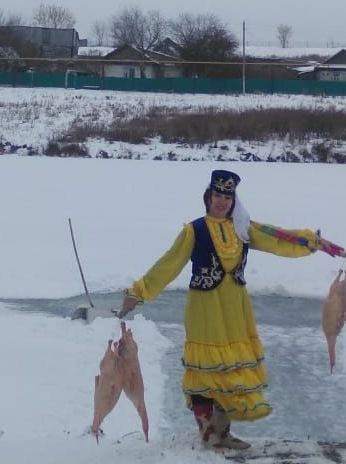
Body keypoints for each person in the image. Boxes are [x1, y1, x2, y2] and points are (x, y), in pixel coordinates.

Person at [116, 169, 334, 450]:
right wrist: (138, 292)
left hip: (235, 308)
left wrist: (313, 242)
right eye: (217, 195)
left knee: (230, 370)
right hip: (206, 309)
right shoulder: (193, 230)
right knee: (207, 371)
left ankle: (224, 433)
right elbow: (168, 265)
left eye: (227, 197)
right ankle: (208, 434)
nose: (221, 201)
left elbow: (279, 239)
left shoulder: (243, 228)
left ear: (233, 201)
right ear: (208, 198)